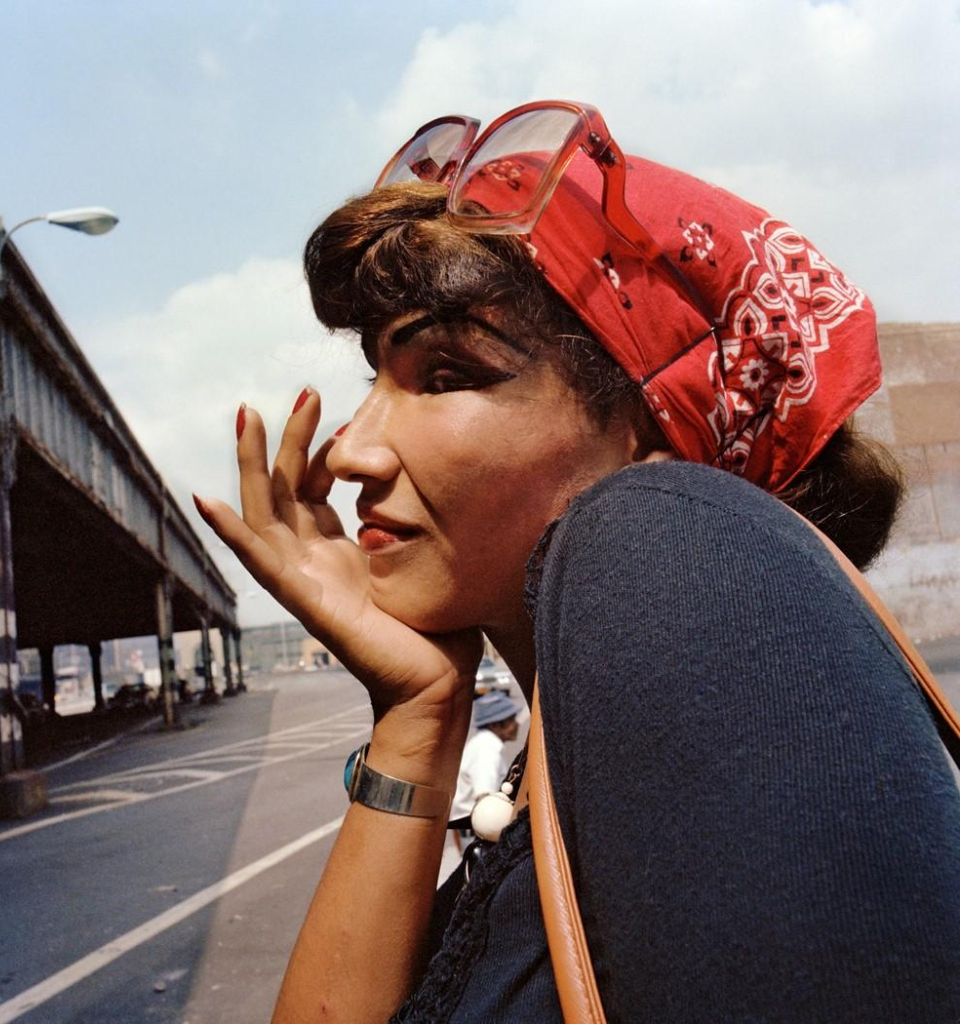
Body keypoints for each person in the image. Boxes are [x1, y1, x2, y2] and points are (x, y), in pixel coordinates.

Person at [194, 101, 960, 1022]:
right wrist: (415, 717)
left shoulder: (666, 536)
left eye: (446, 375)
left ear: (656, 431)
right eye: (376, 378)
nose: (352, 450)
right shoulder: (559, 761)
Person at [439, 692, 521, 884]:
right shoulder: (487, 750)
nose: (516, 724)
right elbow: (484, 799)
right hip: (478, 831)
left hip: (472, 829)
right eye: (510, 720)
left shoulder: (483, 744)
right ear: (495, 724)